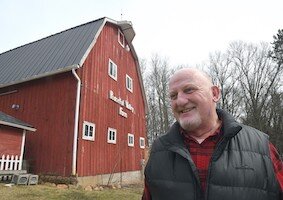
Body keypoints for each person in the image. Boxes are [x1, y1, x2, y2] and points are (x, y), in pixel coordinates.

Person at [142, 68, 283, 200]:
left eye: (189, 90)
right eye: (173, 96)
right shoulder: (159, 150)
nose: (179, 100)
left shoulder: (260, 146)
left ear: (214, 94)